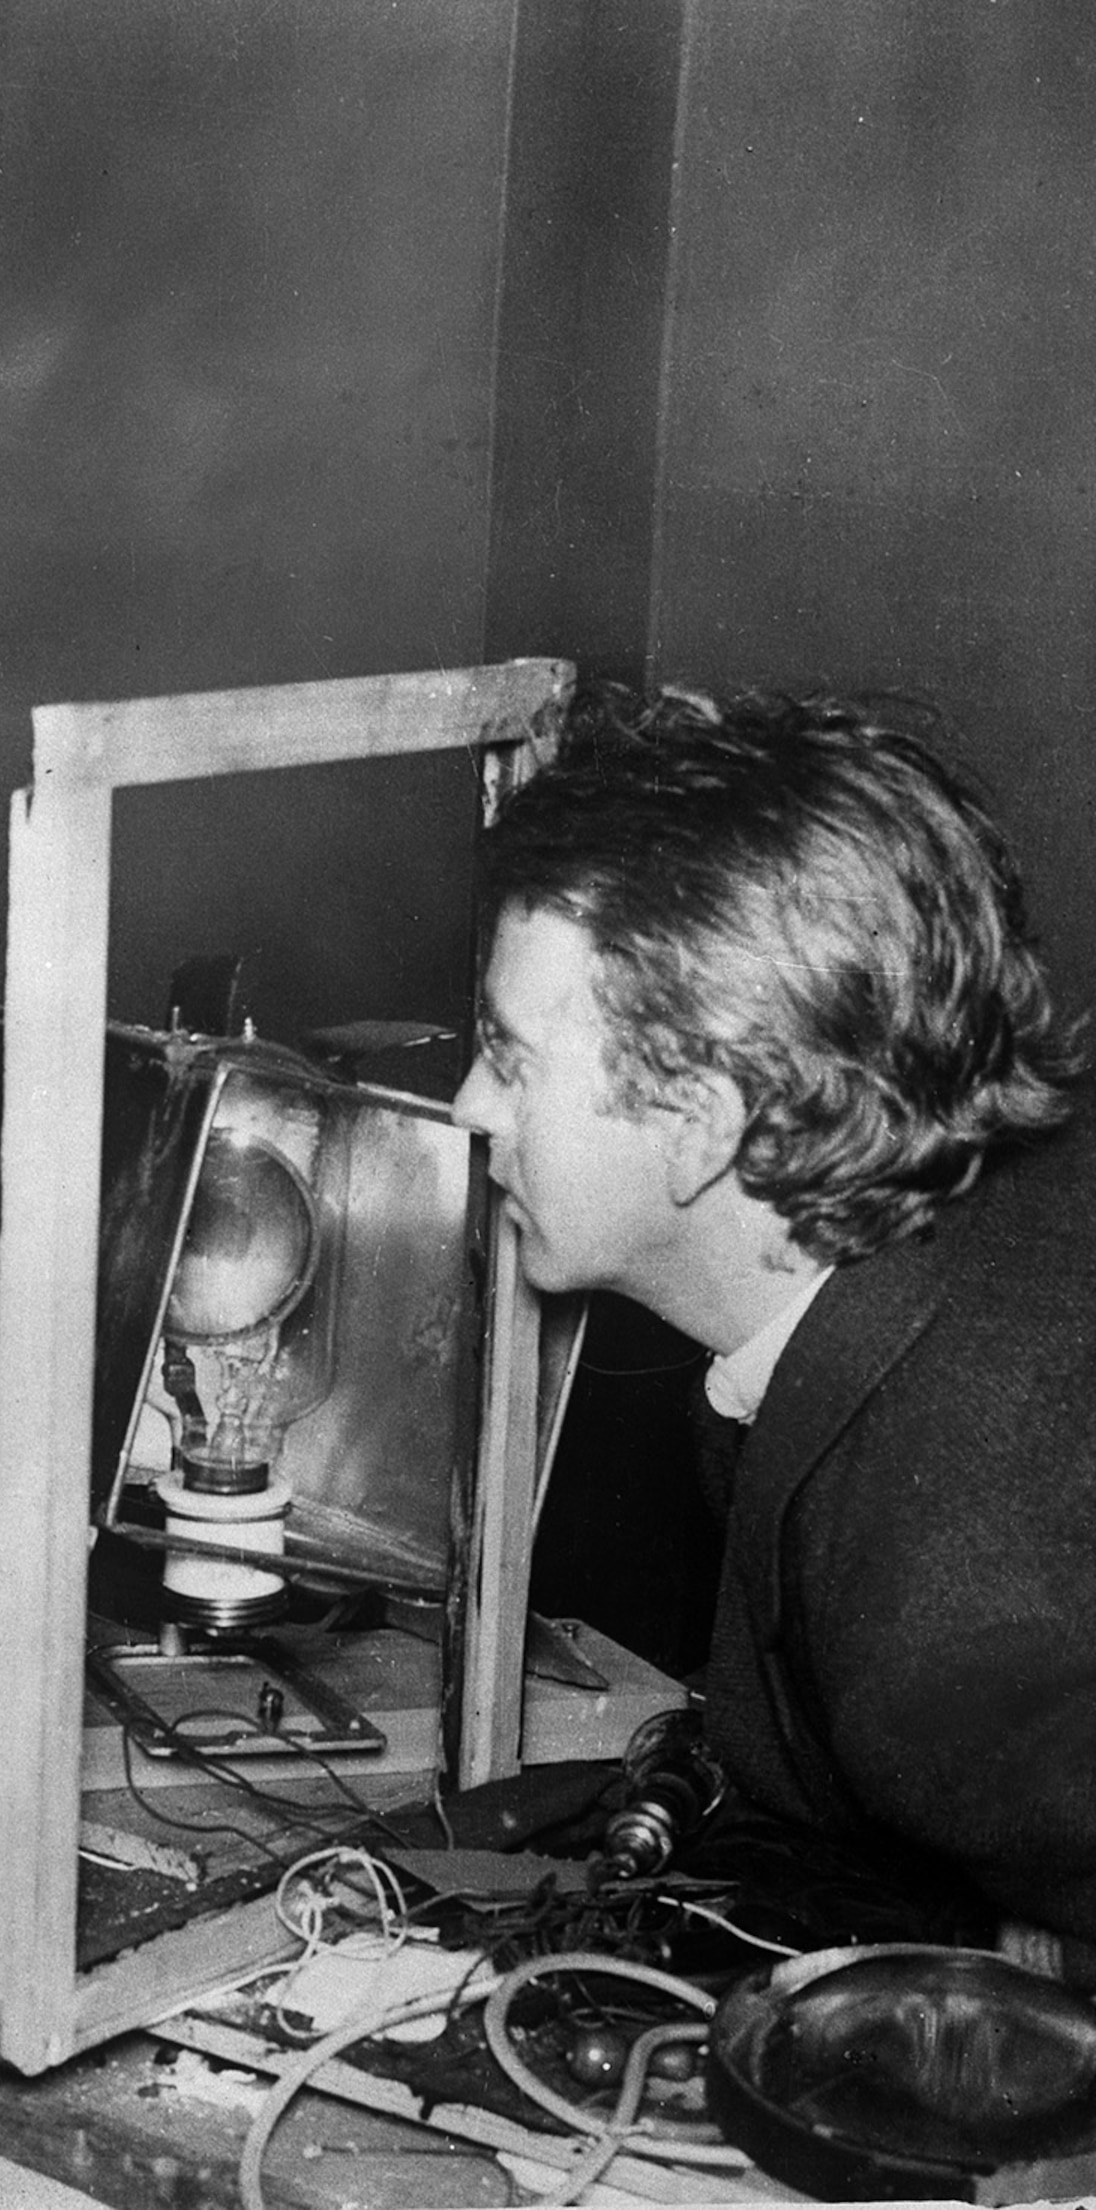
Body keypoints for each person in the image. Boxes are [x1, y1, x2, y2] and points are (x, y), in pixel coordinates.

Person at [451, 683, 1096, 1943]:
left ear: (700, 1123)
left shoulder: (939, 1635)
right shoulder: (942, 1257)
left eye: (512, 1056)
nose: (471, 1102)